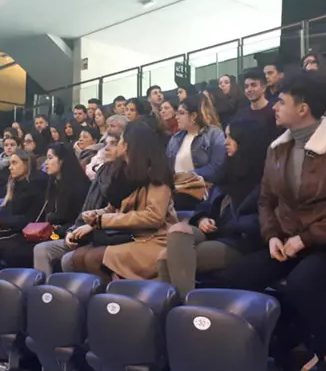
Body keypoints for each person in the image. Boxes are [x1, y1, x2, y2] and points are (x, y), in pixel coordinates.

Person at [215, 71, 326, 371]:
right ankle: (289, 351)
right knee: (238, 275)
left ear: (303, 108)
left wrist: (305, 238)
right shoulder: (277, 150)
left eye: (281, 101)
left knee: (303, 283)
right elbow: (266, 201)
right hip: (291, 243)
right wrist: (273, 236)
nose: (275, 107)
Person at [158, 118, 269, 297]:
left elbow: (259, 221)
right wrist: (202, 219)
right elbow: (205, 204)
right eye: (225, 136)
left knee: (165, 257)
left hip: (240, 242)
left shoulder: (263, 177)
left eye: (231, 137)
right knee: (178, 230)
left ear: (246, 139)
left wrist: (222, 225)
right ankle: (178, 307)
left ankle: (181, 307)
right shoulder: (227, 170)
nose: (225, 142)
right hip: (215, 232)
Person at [70, 122, 179, 283]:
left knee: (93, 258)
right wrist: (95, 215)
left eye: (121, 139)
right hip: (130, 236)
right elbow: (113, 208)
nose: (118, 143)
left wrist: (102, 221)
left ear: (130, 145)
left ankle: (115, 299)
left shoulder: (156, 175)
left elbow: (154, 217)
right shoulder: (124, 173)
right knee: (78, 257)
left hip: (154, 240)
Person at [34, 133, 123, 275]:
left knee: (43, 250)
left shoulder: (79, 186)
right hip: (70, 231)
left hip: (87, 234)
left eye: (50, 158)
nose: (46, 163)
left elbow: (99, 212)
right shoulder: (53, 183)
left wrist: (67, 230)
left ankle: (47, 292)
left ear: (62, 161)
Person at [0, 150, 48, 267]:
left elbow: (32, 219)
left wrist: (3, 221)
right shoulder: (14, 184)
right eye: (10, 164)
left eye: (14, 163)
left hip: (28, 234)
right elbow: (7, 213)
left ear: (26, 164)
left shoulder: (37, 185)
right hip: (13, 232)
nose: (10, 168)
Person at [166, 93, 228, 209]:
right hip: (175, 191)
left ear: (193, 116)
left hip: (202, 192)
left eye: (181, 113)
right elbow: (167, 169)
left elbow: (217, 168)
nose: (176, 117)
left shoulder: (214, 134)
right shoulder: (175, 139)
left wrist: (188, 176)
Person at [234, 68, 279, 138]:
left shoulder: (275, 111)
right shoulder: (241, 114)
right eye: (246, 86)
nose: (249, 89)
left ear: (264, 87)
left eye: (253, 85)